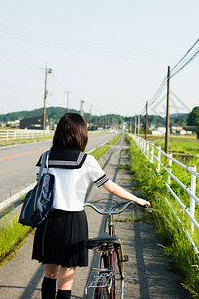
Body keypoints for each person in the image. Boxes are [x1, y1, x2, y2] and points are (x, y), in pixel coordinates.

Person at [32, 113, 150, 299]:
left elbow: (41, 187)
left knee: (50, 275)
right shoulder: (84, 160)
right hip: (72, 223)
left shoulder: (45, 157)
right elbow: (110, 186)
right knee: (65, 281)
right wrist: (137, 199)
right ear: (81, 134)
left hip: (48, 222)